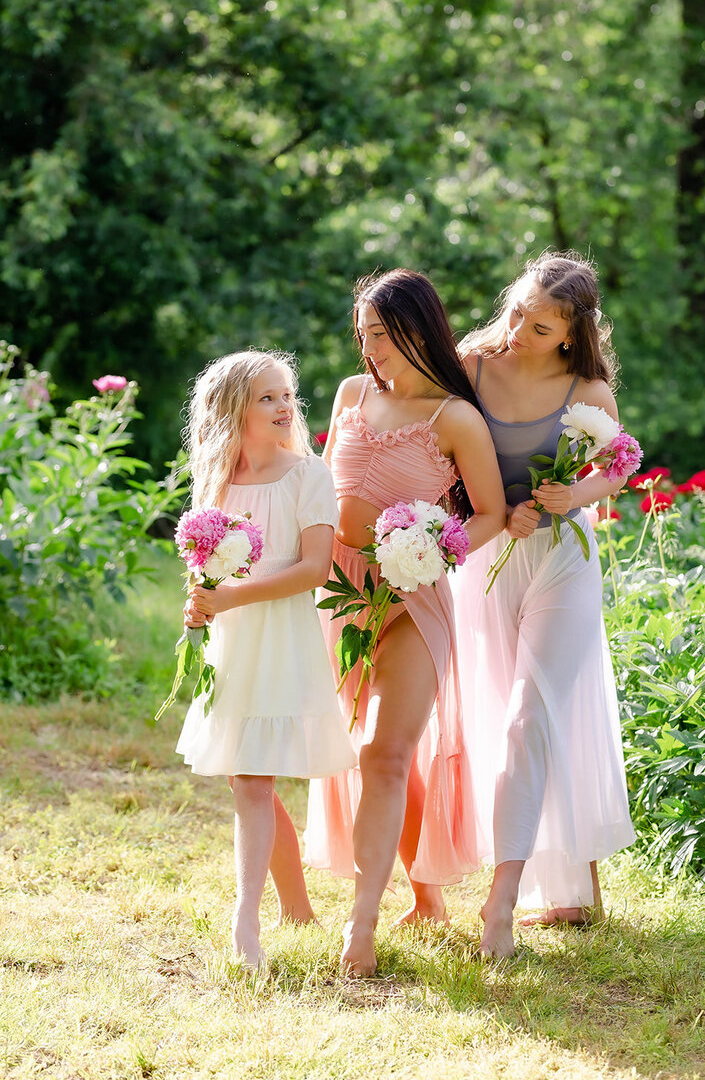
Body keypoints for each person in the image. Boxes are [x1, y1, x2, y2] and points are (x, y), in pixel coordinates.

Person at [304, 269, 507, 976]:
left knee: (382, 753)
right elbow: (324, 489)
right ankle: (426, 895)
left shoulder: (455, 417)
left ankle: (360, 928)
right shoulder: (353, 395)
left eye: (383, 336)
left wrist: (433, 550)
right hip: (339, 594)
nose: (371, 351)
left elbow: (489, 512)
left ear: (421, 329)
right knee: (375, 749)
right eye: (363, 337)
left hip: (410, 600)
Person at [453, 251, 636, 959]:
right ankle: (563, 885)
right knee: (508, 719)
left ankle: (498, 906)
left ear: (570, 332)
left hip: (564, 557)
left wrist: (572, 495)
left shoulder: (586, 385)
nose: (519, 328)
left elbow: (618, 465)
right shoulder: (471, 365)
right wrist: (485, 509)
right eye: (518, 310)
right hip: (492, 559)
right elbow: (441, 448)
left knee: (535, 711)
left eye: (539, 325)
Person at [176, 349, 356, 968]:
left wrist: (229, 596)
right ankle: (297, 908)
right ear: (233, 411)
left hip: (281, 633)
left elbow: (313, 568)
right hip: (233, 638)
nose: (285, 407)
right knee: (244, 775)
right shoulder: (219, 481)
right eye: (268, 398)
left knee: (253, 777)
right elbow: (206, 565)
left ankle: (244, 921)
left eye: (288, 395)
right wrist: (201, 604)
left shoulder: (307, 475)